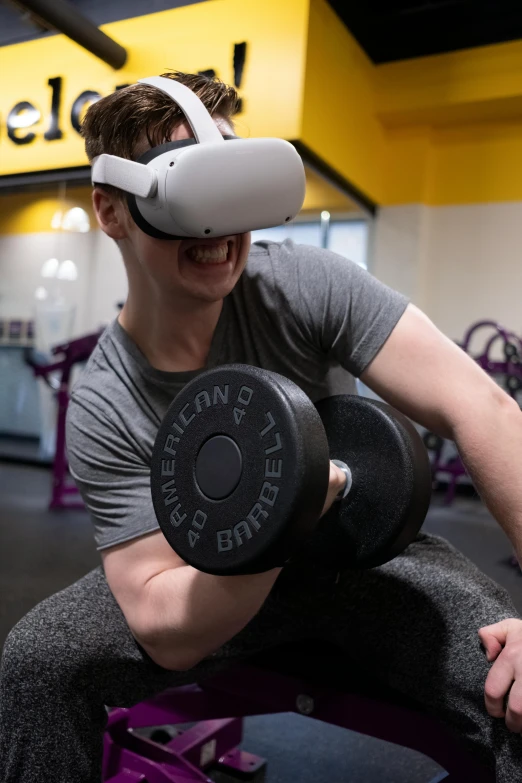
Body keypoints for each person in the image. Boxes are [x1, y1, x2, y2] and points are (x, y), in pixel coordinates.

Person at [1, 71, 522, 783]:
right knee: (36, 664)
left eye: (234, 190)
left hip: (363, 559)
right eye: (193, 194)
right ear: (112, 210)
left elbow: (483, 407)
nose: (220, 231)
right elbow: (161, 619)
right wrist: (287, 509)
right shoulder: (104, 398)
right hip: (203, 579)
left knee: (514, 686)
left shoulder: (307, 283)